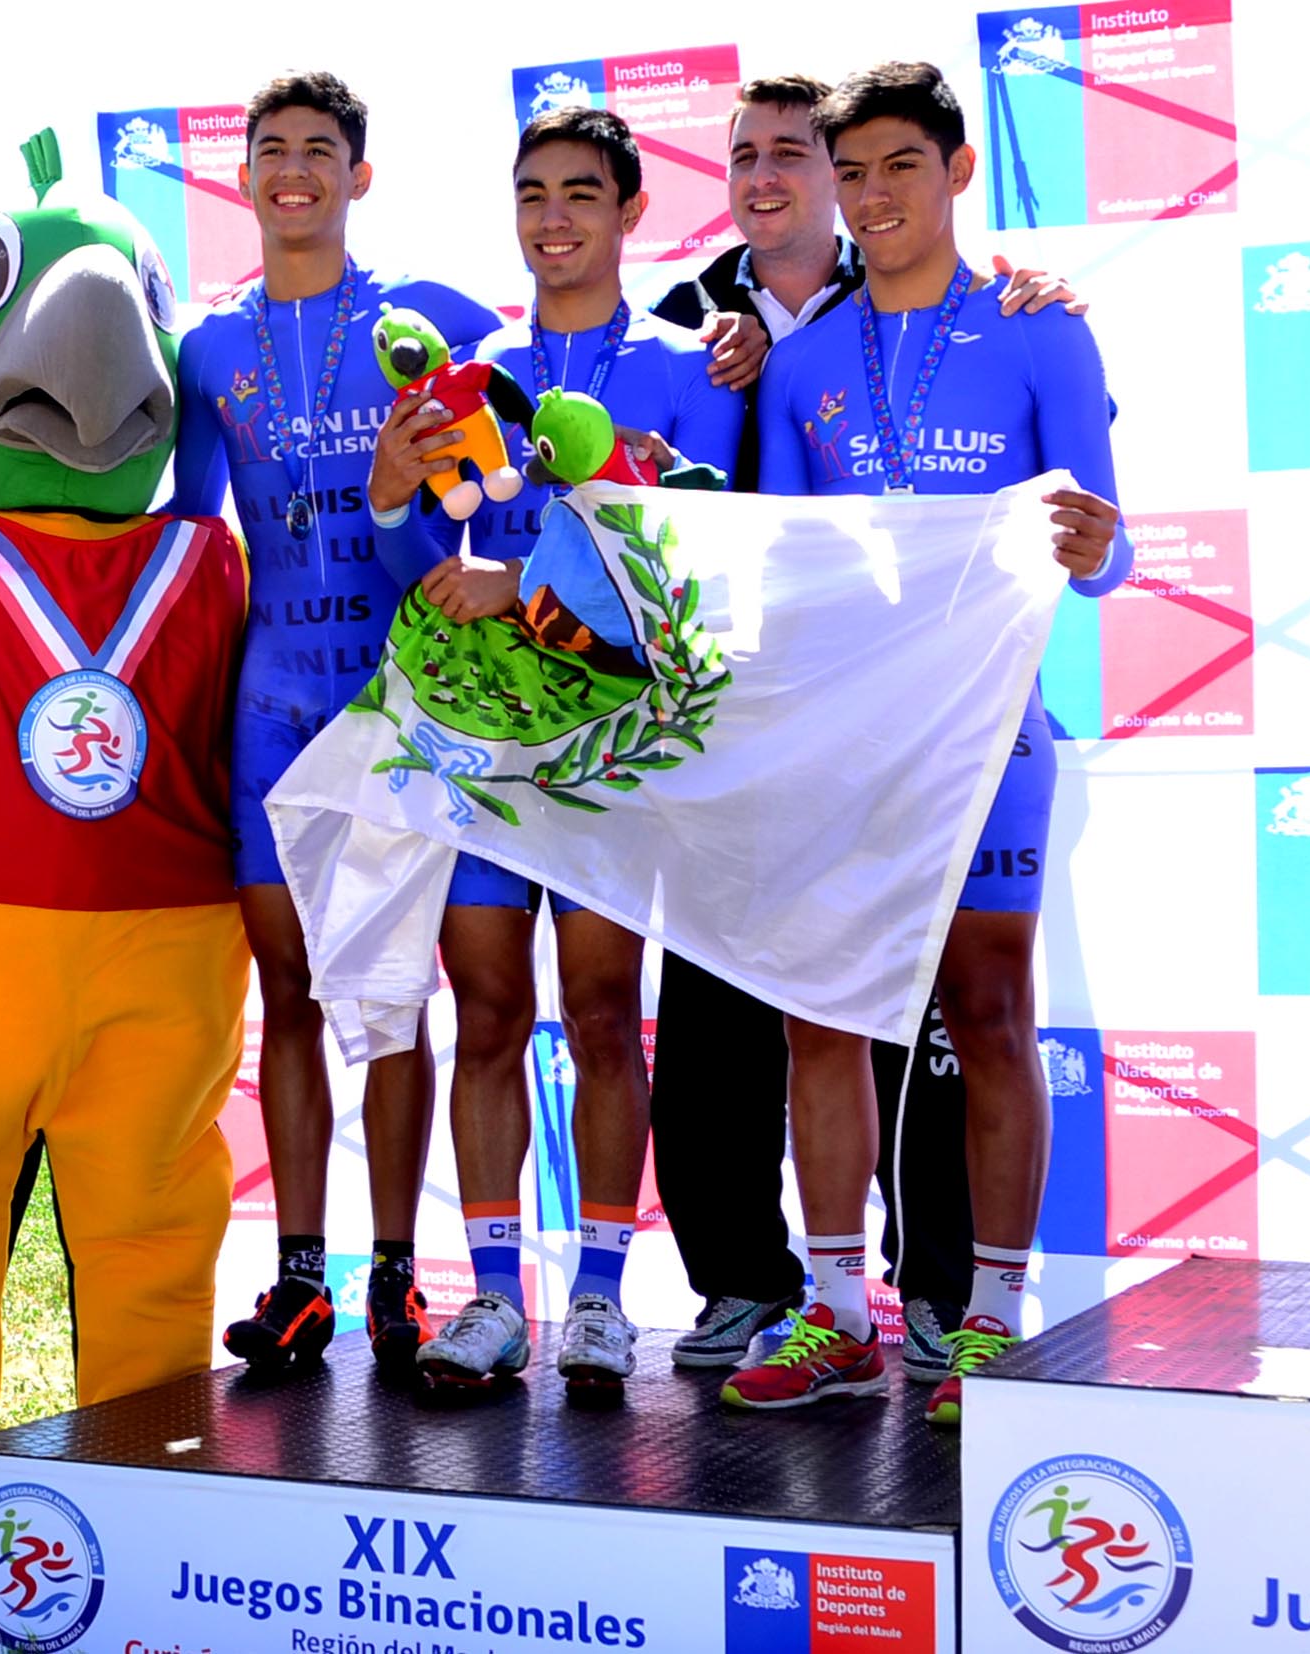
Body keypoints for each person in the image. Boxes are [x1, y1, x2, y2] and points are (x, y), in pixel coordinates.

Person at [646, 75, 1081, 1380]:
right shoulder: (680, 321)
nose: (772, 175)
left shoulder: (967, 304)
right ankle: (753, 1285)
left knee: (955, 1020)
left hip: (942, 721)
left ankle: (950, 1297)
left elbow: (1074, 509)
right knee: (743, 1015)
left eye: (797, 153)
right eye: (747, 156)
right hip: (751, 724)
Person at [364, 106, 744, 1398]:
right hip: (478, 744)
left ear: (634, 210)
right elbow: (417, 563)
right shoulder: (469, 368)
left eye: (583, 192)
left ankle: (596, 1297)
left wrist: (523, 577)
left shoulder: (693, 370)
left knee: (598, 1012)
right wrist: (390, 500)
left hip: (604, 749)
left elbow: (701, 569)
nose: (555, 217)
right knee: (486, 1013)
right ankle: (488, 1301)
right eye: (533, 193)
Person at [171, 72, 532, 1375]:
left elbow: (543, 408)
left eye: (321, 152)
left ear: (358, 177)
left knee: (398, 1000)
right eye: (272, 151)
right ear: (244, 175)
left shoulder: (425, 318)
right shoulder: (207, 350)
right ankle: (300, 1278)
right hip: (274, 709)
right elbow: (177, 528)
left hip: (405, 704)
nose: (295, 173)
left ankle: (396, 1280)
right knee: (293, 997)